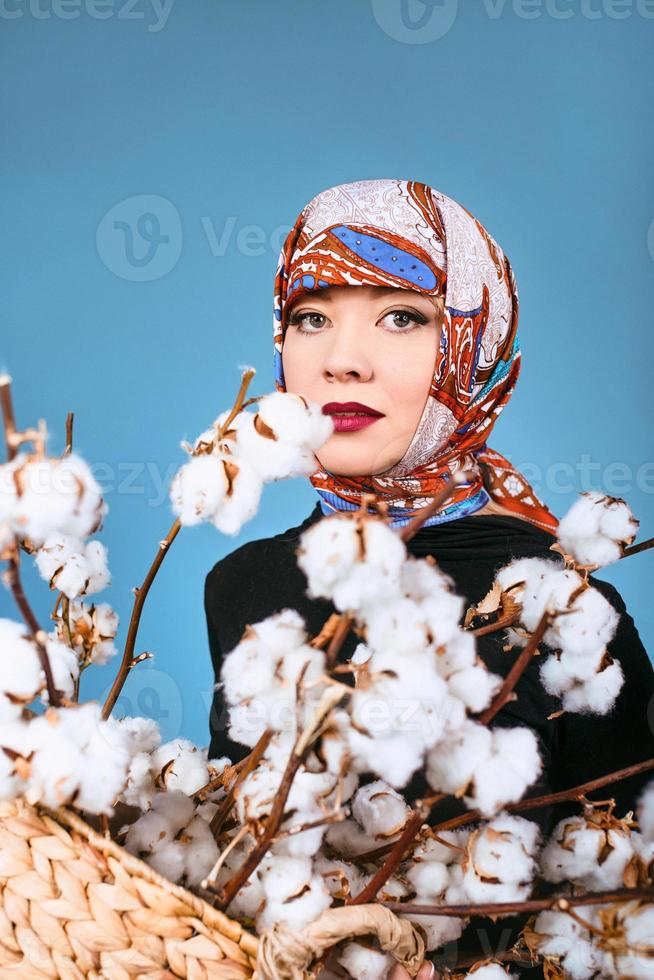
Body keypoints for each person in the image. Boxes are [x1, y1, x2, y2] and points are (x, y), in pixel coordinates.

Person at [204, 179, 654, 978]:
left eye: (402, 317)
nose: (342, 360)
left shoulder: (566, 612)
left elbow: (628, 916)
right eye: (312, 318)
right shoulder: (242, 583)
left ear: (474, 346)